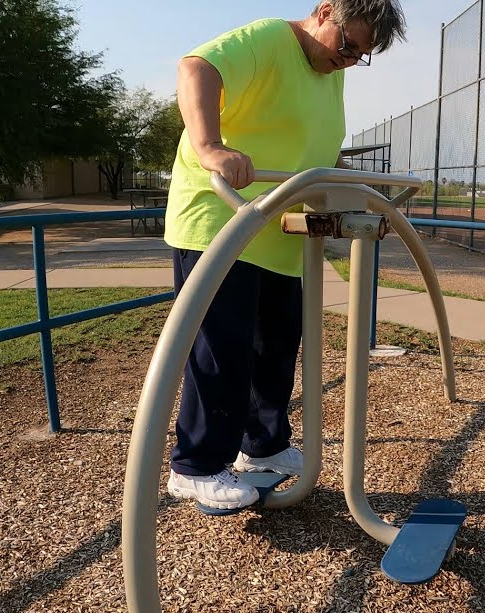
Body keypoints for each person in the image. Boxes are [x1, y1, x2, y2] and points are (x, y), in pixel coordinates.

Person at [162, 1, 407, 511]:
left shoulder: (330, 71)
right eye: (347, 45)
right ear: (324, 11)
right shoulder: (270, 39)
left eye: (360, 55)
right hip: (222, 222)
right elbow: (196, 68)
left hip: (278, 231)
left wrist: (350, 186)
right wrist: (210, 146)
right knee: (221, 349)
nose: (349, 60)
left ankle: (263, 445)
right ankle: (195, 466)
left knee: (275, 345)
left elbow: (316, 145)